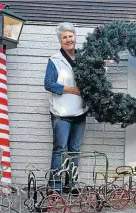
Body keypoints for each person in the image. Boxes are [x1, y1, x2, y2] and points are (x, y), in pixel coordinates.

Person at [44, 22, 88, 193]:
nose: (68, 39)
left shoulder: (84, 58)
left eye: (70, 36)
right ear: (60, 41)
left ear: (75, 37)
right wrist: (72, 90)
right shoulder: (55, 60)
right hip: (61, 113)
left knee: (75, 151)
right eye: (65, 37)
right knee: (60, 150)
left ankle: (71, 185)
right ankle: (54, 187)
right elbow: (48, 84)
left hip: (80, 112)